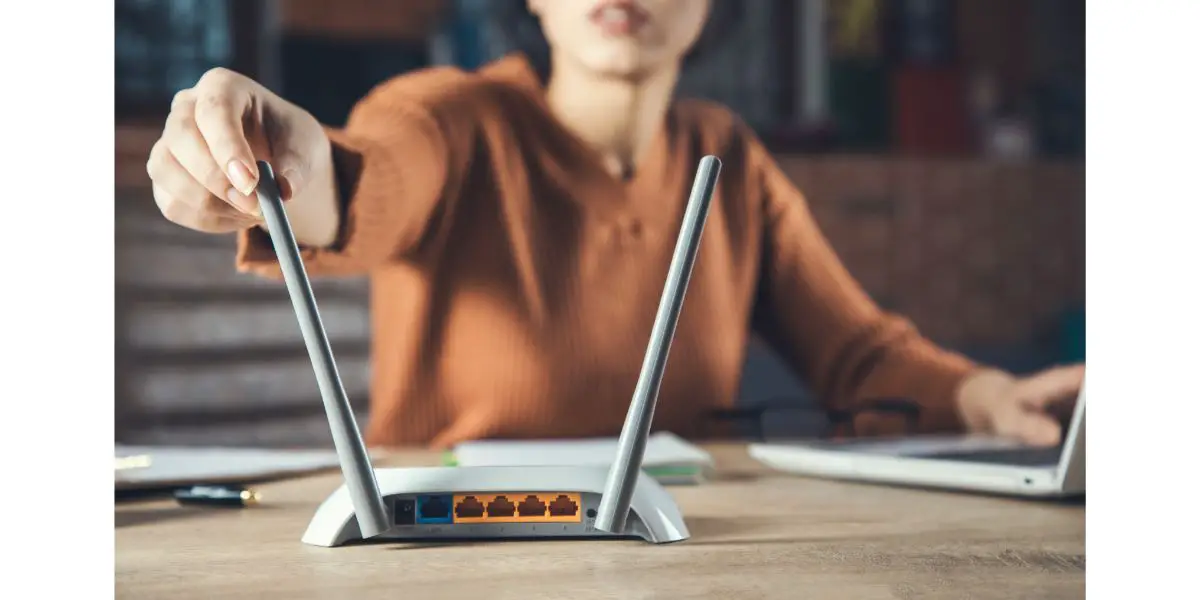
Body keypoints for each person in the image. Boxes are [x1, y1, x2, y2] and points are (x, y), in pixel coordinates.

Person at [145, 0, 1084, 449]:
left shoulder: (728, 156)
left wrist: (992, 398)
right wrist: (286, 169)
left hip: (689, 560)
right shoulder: (449, 116)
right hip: (453, 568)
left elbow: (861, 355)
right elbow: (361, 187)